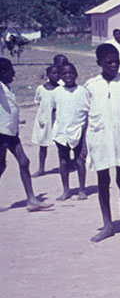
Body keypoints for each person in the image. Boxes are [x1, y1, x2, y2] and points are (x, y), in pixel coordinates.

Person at [83, 43, 120, 242]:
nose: (113, 66)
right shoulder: (91, 86)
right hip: (99, 138)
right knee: (103, 180)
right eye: (108, 62)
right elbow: (86, 115)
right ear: (99, 63)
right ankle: (108, 225)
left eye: (116, 62)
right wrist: (85, 143)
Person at [0, 58, 53, 212]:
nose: (14, 73)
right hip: (1, 133)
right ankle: (31, 198)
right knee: (3, 165)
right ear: (3, 73)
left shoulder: (8, 87)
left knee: (23, 162)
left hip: (11, 132)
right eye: (11, 70)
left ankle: (31, 199)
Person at [51, 62, 88, 201]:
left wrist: (84, 137)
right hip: (62, 133)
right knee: (63, 161)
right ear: (60, 76)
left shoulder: (82, 91)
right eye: (64, 73)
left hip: (77, 130)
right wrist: (55, 128)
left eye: (70, 73)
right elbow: (54, 110)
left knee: (79, 161)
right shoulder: (57, 92)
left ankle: (82, 189)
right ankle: (66, 190)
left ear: (76, 74)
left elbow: (87, 114)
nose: (68, 76)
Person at [30, 64, 59, 176]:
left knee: (61, 145)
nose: (56, 75)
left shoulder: (60, 89)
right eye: (53, 73)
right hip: (44, 120)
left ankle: (65, 165)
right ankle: (41, 168)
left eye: (58, 73)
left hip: (57, 120)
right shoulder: (41, 89)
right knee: (43, 144)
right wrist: (43, 116)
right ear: (47, 75)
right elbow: (38, 102)